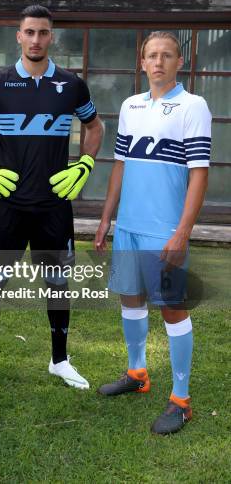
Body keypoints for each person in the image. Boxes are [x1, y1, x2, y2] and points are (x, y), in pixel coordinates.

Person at [0, 5, 104, 391]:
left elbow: (95, 126)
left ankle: (60, 360)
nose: (36, 39)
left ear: (51, 36)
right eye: (29, 32)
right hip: (7, 206)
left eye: (43, 32)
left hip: (54, 205)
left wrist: (85, 163)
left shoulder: (72, 85)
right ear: (18, 36)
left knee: (58, 283)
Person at [95, 31, 211, 435]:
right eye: (151, 56)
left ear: (181, 62)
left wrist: (182, 232)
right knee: (131, 299)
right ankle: (137, 372)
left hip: (164, 230)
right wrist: (107, 217)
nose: (158, 62)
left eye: (166, 55)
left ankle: (181, 400)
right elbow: (121, 165)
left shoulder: (193, 106)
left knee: (172, 308)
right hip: (129, 224)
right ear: (141, 63)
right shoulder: (131, 106)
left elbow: (199, 174)